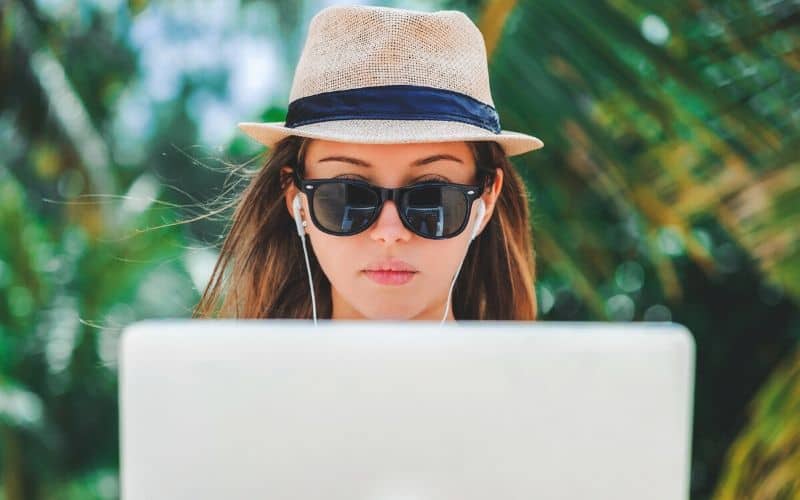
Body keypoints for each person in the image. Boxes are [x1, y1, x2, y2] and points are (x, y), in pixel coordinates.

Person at [193, 4, 544, 322]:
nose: (389, 233)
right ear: (296, 200)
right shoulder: (239, 390)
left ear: (486, 200)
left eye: (432, 199)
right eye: (347, 196)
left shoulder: (538, 390)